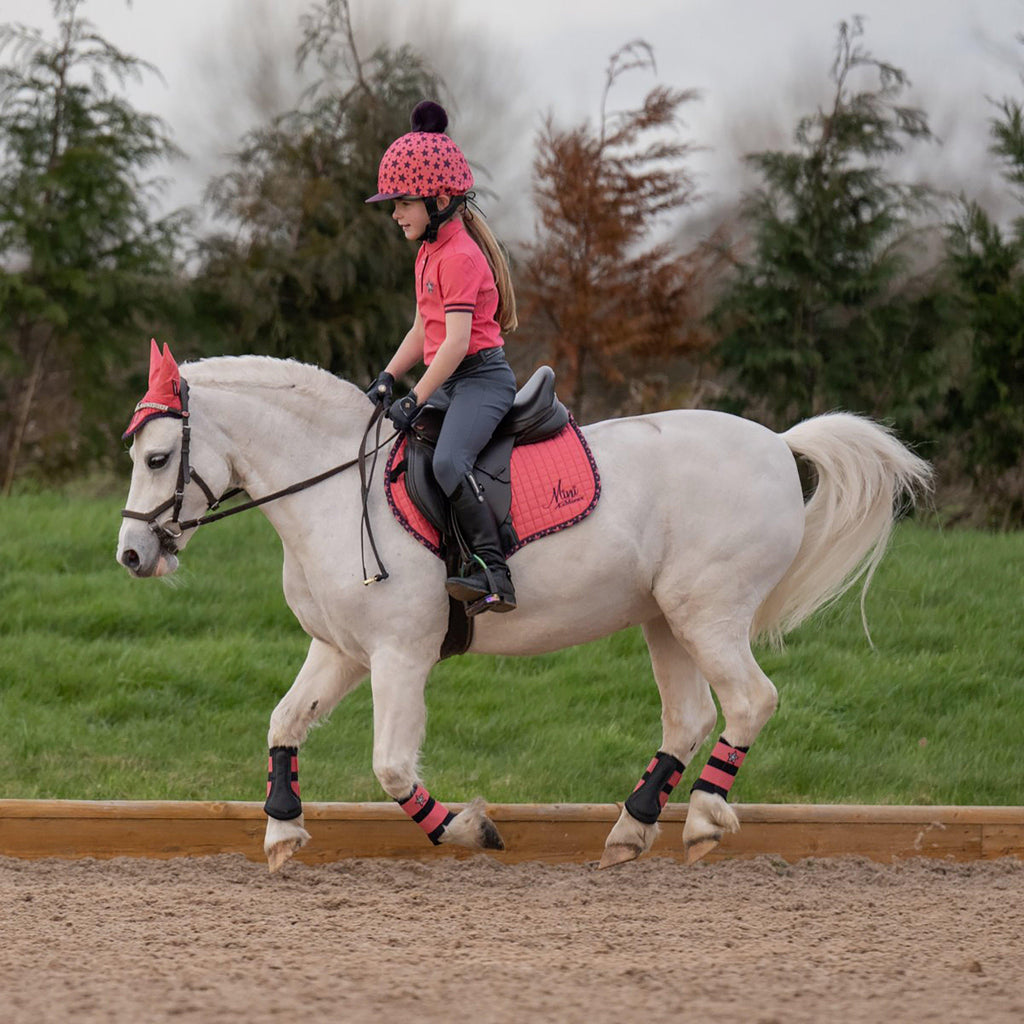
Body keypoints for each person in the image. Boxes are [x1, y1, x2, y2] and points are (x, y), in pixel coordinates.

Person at [365, 100, 519, 614]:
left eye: (404, 203)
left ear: (441, 199)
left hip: (480, 380)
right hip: (452, 378)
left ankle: (494, 572)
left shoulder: (458, 256)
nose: (395, 213)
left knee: (451, 459)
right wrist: (388, 376)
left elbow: (454, 344)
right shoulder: (429, 252)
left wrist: (416, 396)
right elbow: (422, 330)